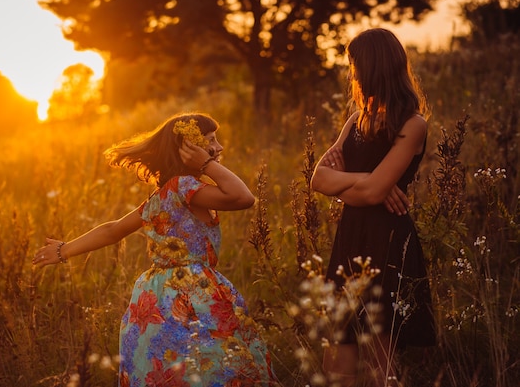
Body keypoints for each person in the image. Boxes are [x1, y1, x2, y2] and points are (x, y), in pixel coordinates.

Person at [32, 113, 276, 386]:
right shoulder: (184, 187)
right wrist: (206, 164)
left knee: (173, 371)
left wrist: (65, 250)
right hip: (191, 294)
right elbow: (243, 198)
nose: (219, 148)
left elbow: (114, 229)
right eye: (209, 141)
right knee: (212, 368)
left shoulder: (164, 194)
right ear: (188, 148)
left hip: (156, 294)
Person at [311, 28, 436, 387]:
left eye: (353, 65)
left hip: (388, 238)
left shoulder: (412, 125)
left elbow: (373, 192)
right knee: (339, 340)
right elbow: (318, 180)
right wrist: (367, 179)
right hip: (350, 236)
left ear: (372, 67)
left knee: (381, 354)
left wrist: (358, 183)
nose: (351, 74)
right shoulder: (356, 120)